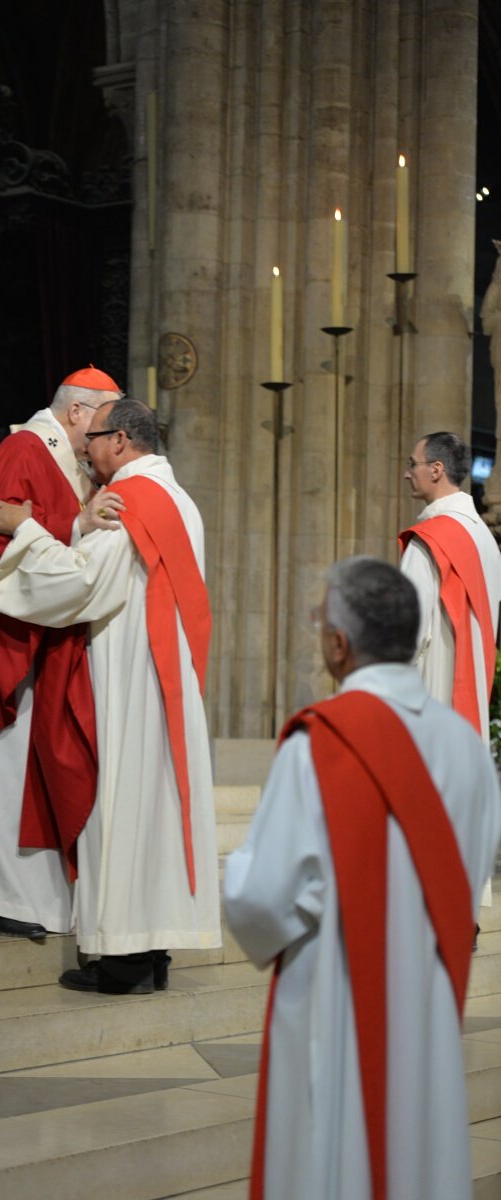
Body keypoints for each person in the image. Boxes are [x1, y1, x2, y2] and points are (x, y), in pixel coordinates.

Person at [224, 557, 501, 1200]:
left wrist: (237, 868)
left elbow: (262, 898)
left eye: (321, 620)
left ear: (339, 644)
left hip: (339, 1002)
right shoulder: (466, 747)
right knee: (419, 1154)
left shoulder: (322, 743)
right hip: (430, 1005)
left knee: (339, 1155)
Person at [0, 398, 222, 993]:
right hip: (166, 675)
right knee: (157, 812)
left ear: (119, 441)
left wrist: (24, 529)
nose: (83, 450)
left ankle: (124, 962)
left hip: (129, 672)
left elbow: (82, 582)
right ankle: (154, 951)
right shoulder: (181, 501)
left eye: (90, 439)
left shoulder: (131, 501)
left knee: (126, 807)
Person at [0, 365, 123, 940]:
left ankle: (28, 899)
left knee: (30, 772)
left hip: (47, 642)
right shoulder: (23, 452)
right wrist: (74, 522)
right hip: (9, 647)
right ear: (76, 413)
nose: (109, 434)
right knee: (4, 767)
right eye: (105, 419)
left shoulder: (70, 463)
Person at [399, 431, 501, 742]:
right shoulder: (485, 538)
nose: (406, 473)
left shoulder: (431, 541)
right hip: (473, 696)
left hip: (432, 697)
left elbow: (407, 631)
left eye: (412, 464)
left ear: (436, 469)